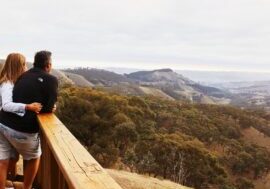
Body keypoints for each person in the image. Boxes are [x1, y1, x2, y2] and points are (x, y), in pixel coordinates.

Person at [0, 51, 58, 189]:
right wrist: (28, 107)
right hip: (12, 126)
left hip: (3, 124)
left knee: (4, 160)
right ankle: (27, 187)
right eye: (23, 64)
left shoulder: (17, 80)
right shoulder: (7, 83)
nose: (25, 67)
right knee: (33, 157)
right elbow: (7, 105)